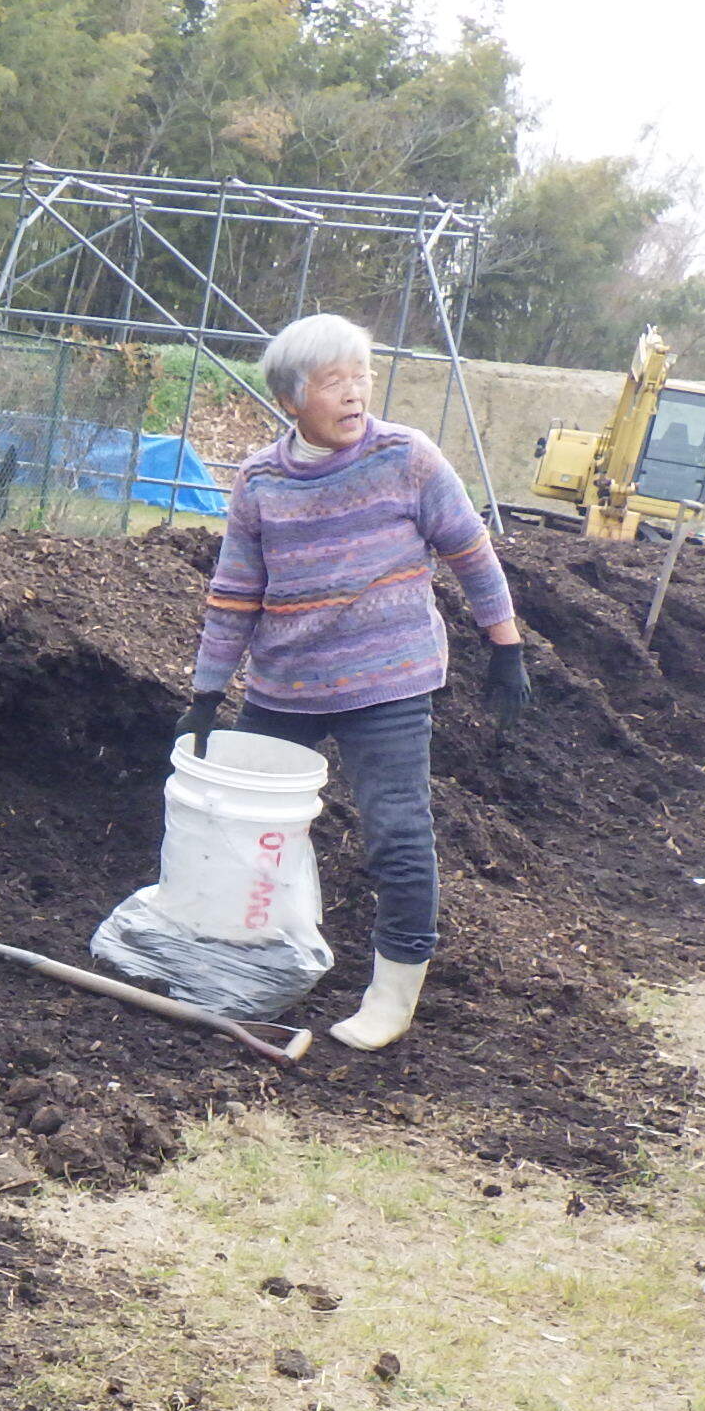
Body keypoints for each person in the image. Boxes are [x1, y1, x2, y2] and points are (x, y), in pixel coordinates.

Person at [176, 312, 528, 1051]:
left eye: (361, 375)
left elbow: (470, 551)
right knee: (245, 826)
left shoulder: (408, 458)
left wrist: (506, 647)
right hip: (285, 685)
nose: (354, 394)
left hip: (389, 680)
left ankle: (392, 995)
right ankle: (238, 958)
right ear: (291, 399)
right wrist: (208, 692)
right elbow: (234, 593)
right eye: (334, 381)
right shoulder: (260, 481)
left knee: (396, 830)